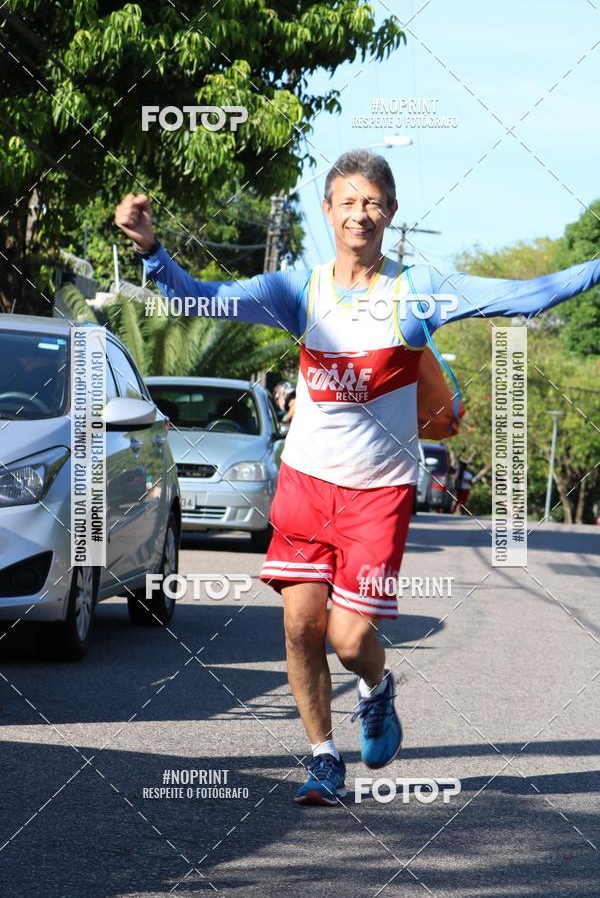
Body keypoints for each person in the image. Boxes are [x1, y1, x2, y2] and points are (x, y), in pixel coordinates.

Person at [115, 149, 600, 806]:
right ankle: (322, 757)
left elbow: (524, 294)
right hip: (306, 484)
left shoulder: (416, 292)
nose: (360, 214)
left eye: (372, 202)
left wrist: (594, 268)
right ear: (328, 210)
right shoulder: (297, 290)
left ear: (391, 212)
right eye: (348, 201)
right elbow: (203, 298)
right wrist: (150, 249)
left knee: (347, 638)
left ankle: (375, 688)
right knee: (299, 627)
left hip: (379, 493)